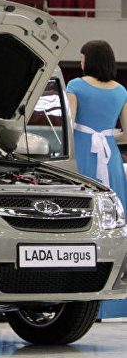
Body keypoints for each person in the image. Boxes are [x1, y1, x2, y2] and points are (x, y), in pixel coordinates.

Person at [66, 39, 127, 319]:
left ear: (88, 60)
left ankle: (80, 300)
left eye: (81, 57)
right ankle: (115, 301)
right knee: (114, 224)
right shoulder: (121, 91)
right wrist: (107, 135)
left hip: (83, 156)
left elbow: (69, 124)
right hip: (111, 160)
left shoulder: (76, 86)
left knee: (79, 223)